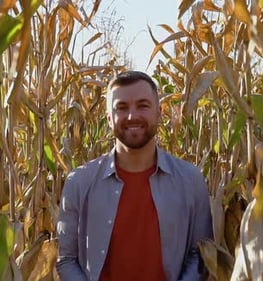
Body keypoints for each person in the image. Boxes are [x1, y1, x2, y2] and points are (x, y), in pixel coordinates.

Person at [56, 70, 213, 281]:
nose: (132, 116)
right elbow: (66, 259)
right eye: (121, 108)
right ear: (109, 119)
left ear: (159, 112)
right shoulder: (79, 183)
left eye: (143, 105)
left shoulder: (191, 181)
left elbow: (201, 256)